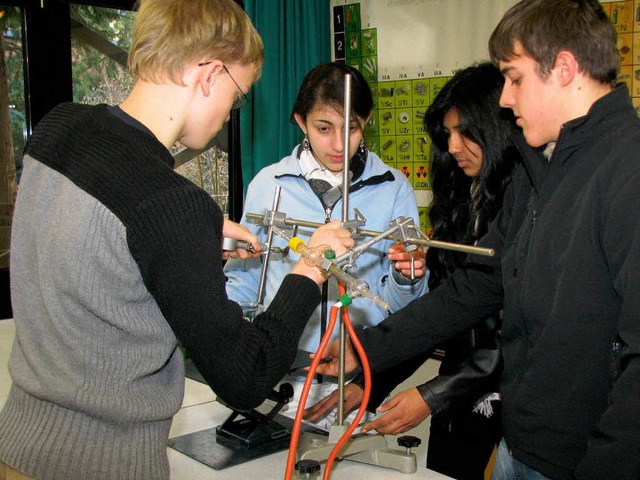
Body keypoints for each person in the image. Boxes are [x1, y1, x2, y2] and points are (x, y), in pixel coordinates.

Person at [0, 1, 355, 479]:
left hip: (18, 445)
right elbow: (245, 379)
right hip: (106, 464)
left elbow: (97, 248)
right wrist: (309, 269)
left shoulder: (58, 128)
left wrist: (202, 230)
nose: (231, 113)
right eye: (238, 96)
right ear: (209, 74)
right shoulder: (171, 205)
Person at [315, 1, 640, 479]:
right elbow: (472, 290)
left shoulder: (626, 171)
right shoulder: (538, 172)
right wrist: (364, 350)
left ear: (565, 69)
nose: (505, 99)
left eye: (515, 78)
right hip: (521, 446)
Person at [305, 62, 518, 480]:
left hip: (510, 405)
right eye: (447, 134)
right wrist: (371, 381)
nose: (454, 146)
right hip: (458, 405)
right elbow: (437, 314)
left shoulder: (523, 205)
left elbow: (515, 334)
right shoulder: (464, 202)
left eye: (466, 133)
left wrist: (431, 395)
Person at [223, 62, 428, 428]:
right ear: (301, 122)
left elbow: (401, 308)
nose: (337, 144)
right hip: (278, 376)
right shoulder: (269, 185)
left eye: (350, 129)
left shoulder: (394, 187)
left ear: (366, 122)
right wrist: (235, 352)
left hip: (353, 379)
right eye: (323, 128)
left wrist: (408, 276)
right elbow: (243, 281)